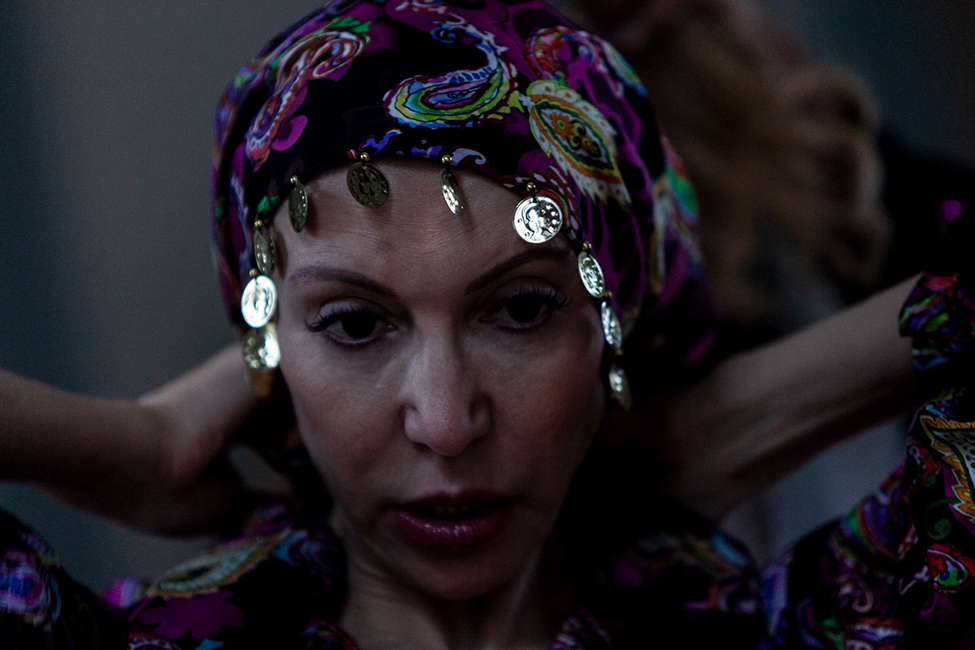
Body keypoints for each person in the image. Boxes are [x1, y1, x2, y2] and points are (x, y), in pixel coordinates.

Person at [0, 1, 970, 648]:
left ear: (611, 329)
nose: (446, 421)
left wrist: (734, 416)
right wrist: (134, 443)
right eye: (352, 323)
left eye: (521, 309)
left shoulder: (798, 626)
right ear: (268, 340)